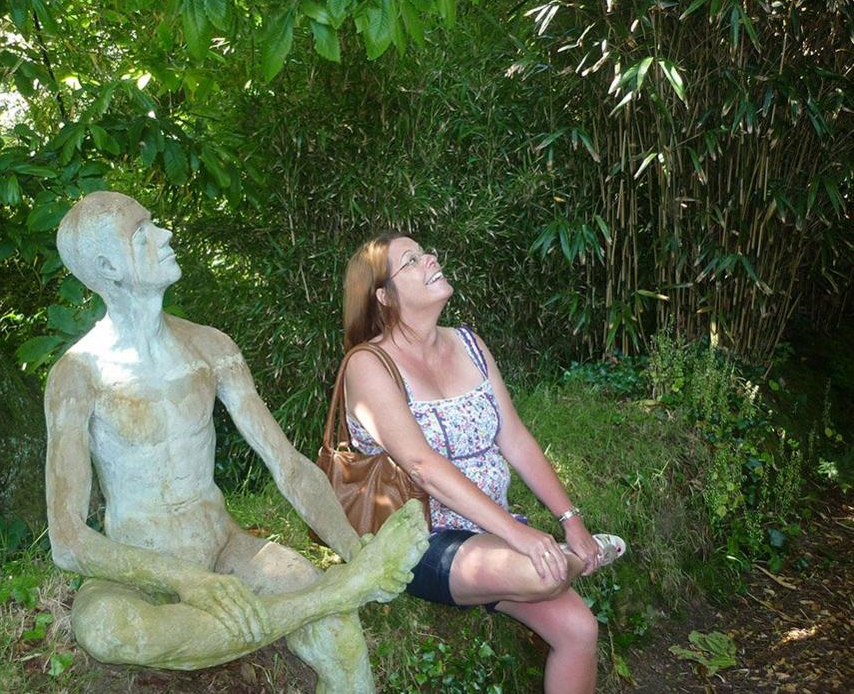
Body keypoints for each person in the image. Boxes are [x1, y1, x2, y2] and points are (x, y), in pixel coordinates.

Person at [44, 191, 429, 692]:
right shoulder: (77, 375)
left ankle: (337, 592)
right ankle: (339, 593)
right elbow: (67, 539)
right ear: (107, 266)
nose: (164, 236)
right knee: (105, 629)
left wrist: (353, 546)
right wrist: (189, 582)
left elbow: (286, 465)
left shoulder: (211, 346)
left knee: (342, 642)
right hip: (135, 566)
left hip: (224, 547)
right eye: (142, 233)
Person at [340, 232, 627, 694]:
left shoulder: (469, 344)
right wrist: (522, 536)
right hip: (420, 537)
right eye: (410, 261)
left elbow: (514, 438)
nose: (429, 258)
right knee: (542, 571)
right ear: (384, 296)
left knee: (579, 629)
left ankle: (568, 552)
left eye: (425, 251)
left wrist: (570, 519)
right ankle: (579, 558)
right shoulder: (368, 364)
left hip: (491, 530)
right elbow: (421, 465)